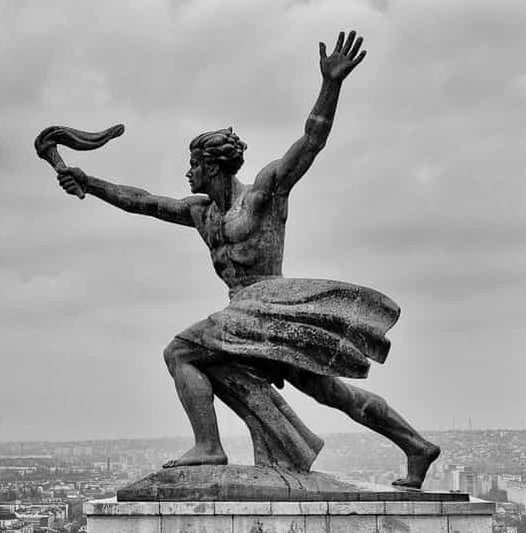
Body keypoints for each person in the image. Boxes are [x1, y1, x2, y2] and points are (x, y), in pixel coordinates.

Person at [55, 31, 439, 489]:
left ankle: (209, 446)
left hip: (268, 303)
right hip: (247, 312)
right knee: (328, 391)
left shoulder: (262, 195)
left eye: (193, 164)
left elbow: (311, 141)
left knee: (179, 351)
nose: (187, 172)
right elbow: (141, 201)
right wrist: (88, 181)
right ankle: (416, 446)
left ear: (212, 166)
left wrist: (331, 84)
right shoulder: (201, 212)